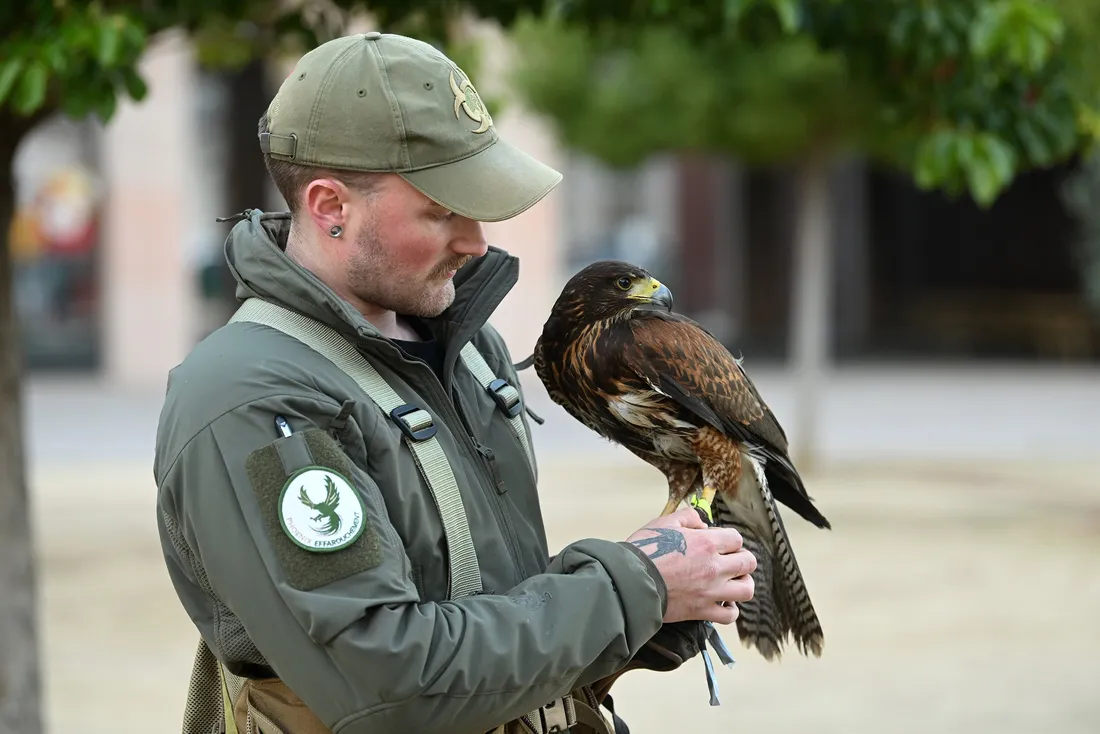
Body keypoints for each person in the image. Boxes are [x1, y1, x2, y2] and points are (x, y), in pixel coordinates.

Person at [154, 31, 756, 734]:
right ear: (330, 207)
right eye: (442, 210)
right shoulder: (253, 399)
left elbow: (485, 604)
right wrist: (631, 587)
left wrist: (656, 603)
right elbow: (390, 685)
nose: (476, 240)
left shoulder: (468, 349)